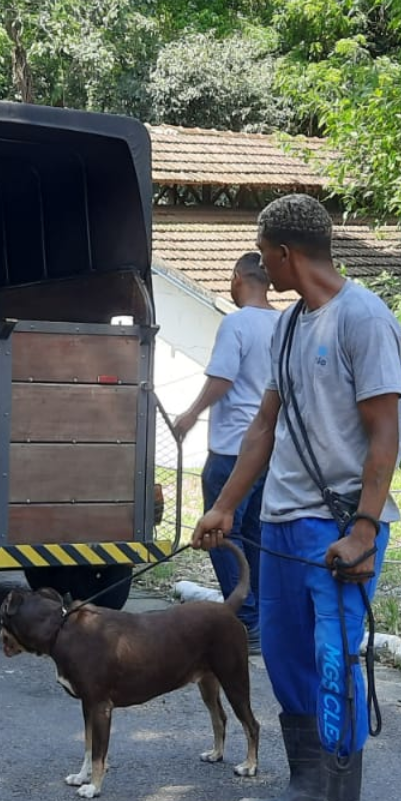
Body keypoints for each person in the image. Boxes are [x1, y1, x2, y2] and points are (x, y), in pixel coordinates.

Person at [191, 193, 401, 801]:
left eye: (265, 252)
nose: (264, 263)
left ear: (283, 254)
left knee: (337, 666)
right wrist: (225, 507)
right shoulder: (285, 329)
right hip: (280, 522)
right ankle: (307, 784)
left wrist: (365, 530)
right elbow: (261, 430)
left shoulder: (363, 319)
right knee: (284, 657)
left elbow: (385, 434)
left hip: (338, 528)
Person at [173, 252, 277, 648]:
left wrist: (191, 414)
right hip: (271, 450)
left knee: (220, 535)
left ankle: (245, 620)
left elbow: (222, 378)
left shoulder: (236, 323)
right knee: (257, 536)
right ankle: (262, 617)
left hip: (233, 447)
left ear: (237, 277)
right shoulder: (285, 322)